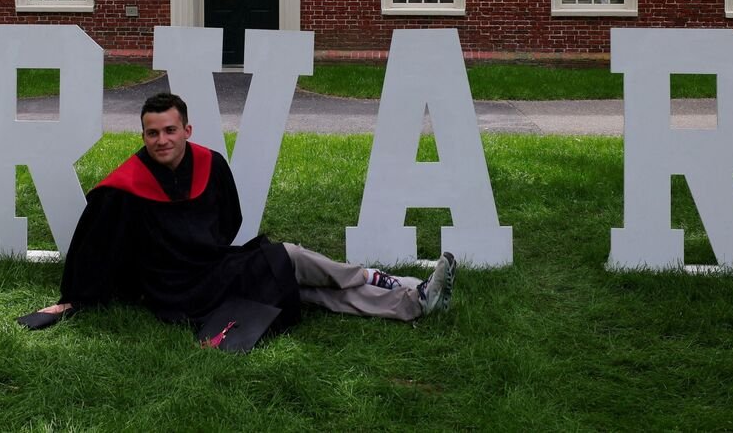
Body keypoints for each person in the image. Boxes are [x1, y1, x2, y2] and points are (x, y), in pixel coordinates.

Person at [31, 92, 456, 333]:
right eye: (152, 132)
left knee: (300, 290)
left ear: (187, 130)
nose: (161, 140)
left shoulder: (210, 163)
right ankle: (371, 276)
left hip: (214, 268)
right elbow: (96, 247)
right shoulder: (123, 187)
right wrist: (72, 299)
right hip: (176, 291)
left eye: (170, 130)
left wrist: (208, 253)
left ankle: (412, 302)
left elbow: (229, 220)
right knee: (286, 256)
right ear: (143, 134)